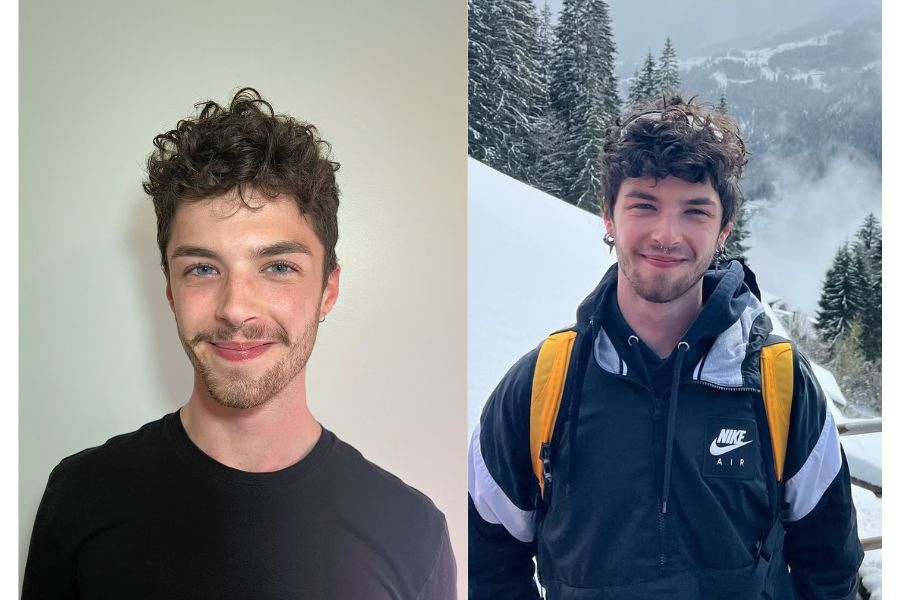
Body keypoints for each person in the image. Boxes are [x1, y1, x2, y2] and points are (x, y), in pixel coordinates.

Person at [23, 88, 456, 600]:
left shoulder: (411, 534)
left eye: (277, 267)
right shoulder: (77, 498)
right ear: (169, 289)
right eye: (202, 268)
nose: (236, 308)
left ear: (328, 290)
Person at [468, 96, 863, 599]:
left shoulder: (779, 384)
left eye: (695, 211)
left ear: (723, 230)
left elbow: (829, 566)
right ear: (608, 217)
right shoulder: (542, 386)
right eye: (644, 204)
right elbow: (487, 561)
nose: (666, 234)